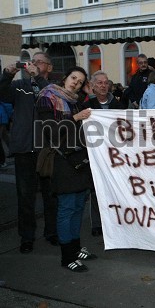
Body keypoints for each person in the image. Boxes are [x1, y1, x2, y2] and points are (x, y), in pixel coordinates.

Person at [36, 66, 96, 272]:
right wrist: (74, 118)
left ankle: (76, 247)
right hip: (62, 161)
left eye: (80, 82)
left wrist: (88, 96)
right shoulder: (47, 97)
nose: (75, 83)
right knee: (67, 208)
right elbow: (50, 130)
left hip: (79, 159)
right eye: (73, 78)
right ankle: (67, 256)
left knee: (79, 207)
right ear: (65, 78)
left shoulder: (76, 101)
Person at [0, 52, 59, 252]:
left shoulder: (52, 87)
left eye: (39, 62)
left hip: (47, 149)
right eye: (31, 61)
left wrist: (37, 77)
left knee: (51, 195)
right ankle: (27, 236)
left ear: (49, 67)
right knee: (25, 196)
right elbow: (2, 94)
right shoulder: (20, 87)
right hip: (25, 148)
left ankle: (51, 232)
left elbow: (52, 98)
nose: (33, 64)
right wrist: (7, 75)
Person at [81, 71, 125, 236]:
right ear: (92, 86)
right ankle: (98, 224)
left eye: (106, 82)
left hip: (115, 154)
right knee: (96, 189)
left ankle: (117, 221)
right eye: (99, 83)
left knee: (116, 187)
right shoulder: (87, 106)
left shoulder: (119, 105)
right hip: (95, 154)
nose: (103, 85)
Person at [0, 101, 13, 167]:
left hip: (1, 118)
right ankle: (11, 150)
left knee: (3, 137)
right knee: (4, 136)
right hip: (3, 118)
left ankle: (2, 160)